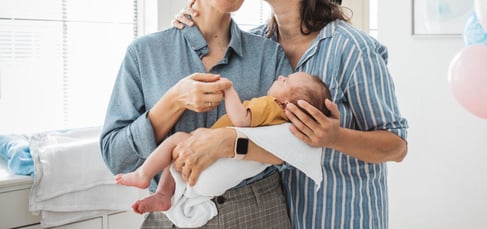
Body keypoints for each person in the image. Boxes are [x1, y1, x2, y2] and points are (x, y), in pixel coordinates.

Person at [172, 0, 409, 229]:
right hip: (278, 216)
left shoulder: (352, 50)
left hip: (342, 217)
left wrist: (336, 137)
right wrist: (189, 20)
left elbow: (396, 145)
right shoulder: (257, 45)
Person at [100, 0, 295, 228]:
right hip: (170, 210)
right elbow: (116, 157)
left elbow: (292, 146)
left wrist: (229, 144)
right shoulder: (145, 53)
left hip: (258, 211)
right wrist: (173, 100)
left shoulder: (269, 55)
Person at [114, 72, 331, 224]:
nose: (282, 76)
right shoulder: (282, 124)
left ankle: (146, 176)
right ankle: (163, 195)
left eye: (287, 82)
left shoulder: (269, 104)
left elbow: (242, 119)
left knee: (177, 139)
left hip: (217, 160)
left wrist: (229, 91)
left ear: (287, 105)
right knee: (177, 153)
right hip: (223, 171)